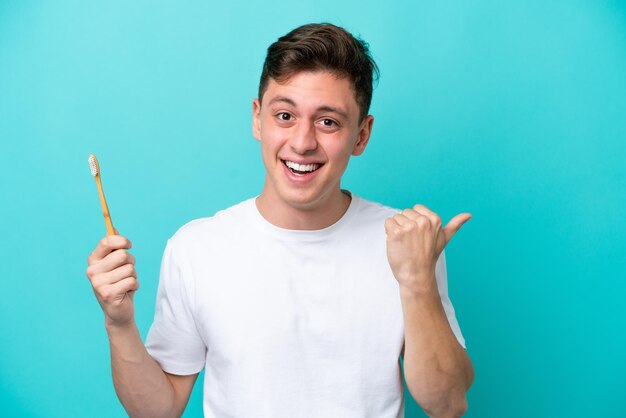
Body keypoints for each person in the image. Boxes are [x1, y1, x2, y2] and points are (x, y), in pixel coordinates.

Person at [86, 23, 474, 418]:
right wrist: (118, 323)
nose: (302, 142)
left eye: (328, 122)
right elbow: (157, 410)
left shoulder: (406, 244)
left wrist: (417, 281)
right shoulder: (196, 249)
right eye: (285, 115)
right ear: (258, 119)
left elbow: (447, 405)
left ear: (361, 135)